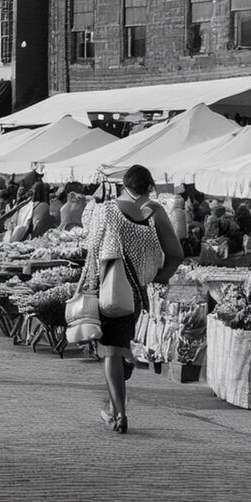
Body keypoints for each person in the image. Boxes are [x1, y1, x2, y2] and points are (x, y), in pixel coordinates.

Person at [82, 164, 183, 434]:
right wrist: (160, 277)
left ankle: (119, 413)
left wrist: (89, 285)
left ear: (124, 184)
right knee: (120, 346)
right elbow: (176, 255)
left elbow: (92, 251)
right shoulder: (155, 211)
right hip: (138, 293)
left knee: (111, 352)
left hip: (111, 289)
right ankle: (114, 402)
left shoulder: (107, 210)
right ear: (149, 186)